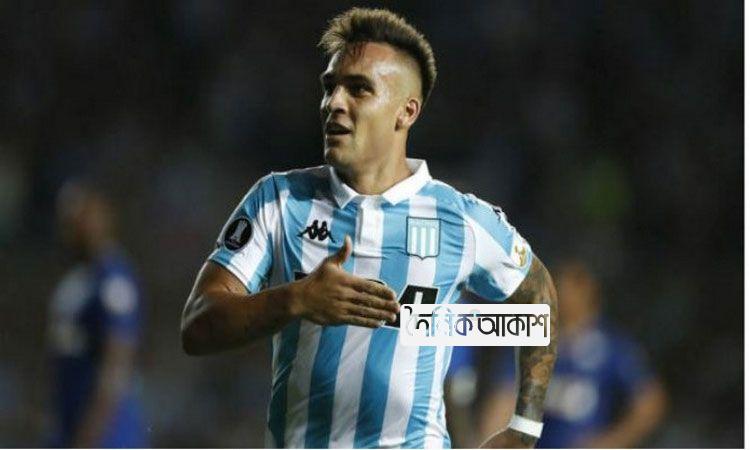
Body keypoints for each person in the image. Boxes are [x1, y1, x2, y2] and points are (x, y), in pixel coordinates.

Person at [181, 7, 557, 448]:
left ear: (406, 112)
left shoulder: (461, 219)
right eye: (330, 87)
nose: (334, 103)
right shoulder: (279, 200)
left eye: (358, 89)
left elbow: (537, 301)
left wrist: (524, 427)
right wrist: (296, 299)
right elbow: (197, 326)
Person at [461, 260, 666, 448]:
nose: (561, 295)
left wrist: (609, 443)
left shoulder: (612, 347)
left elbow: (649, 403)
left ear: (589, 293)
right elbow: (503, 399)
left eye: (569, 288)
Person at [47, 182, 147, 447]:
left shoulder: (114, 279)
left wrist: (90, 435)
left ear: (103, 217)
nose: (74, 224)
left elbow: (117, 361)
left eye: (83, 215)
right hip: (69, 423)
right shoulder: (76, 279)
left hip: (106, 435)